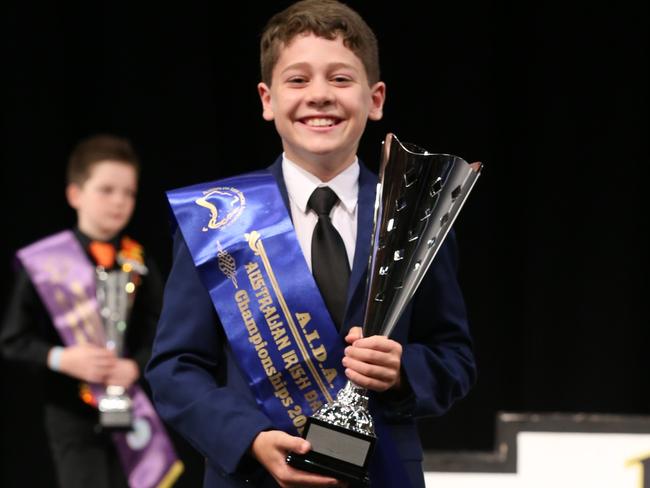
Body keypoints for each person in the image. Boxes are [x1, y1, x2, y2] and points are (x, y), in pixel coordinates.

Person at [145, 1, 476, 487]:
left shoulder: (413, 217)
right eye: (297, 80)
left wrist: (404, 371)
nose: (319, 95)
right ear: (267, 99)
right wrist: (250, 439)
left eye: (341, 79)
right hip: (252, 477)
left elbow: (455, 357)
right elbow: (175, 369)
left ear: (376, 98)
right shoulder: (217, 218)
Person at [0, 134, 181, 488]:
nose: (119, 202)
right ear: (75, 194)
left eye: (128, 192)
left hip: (132, 406)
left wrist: (136, 364)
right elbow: (13, 340)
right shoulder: (44, 263)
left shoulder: (138, 260)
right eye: (106, 190)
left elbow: (164, 331)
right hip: (71, 412)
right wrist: (60, 358)